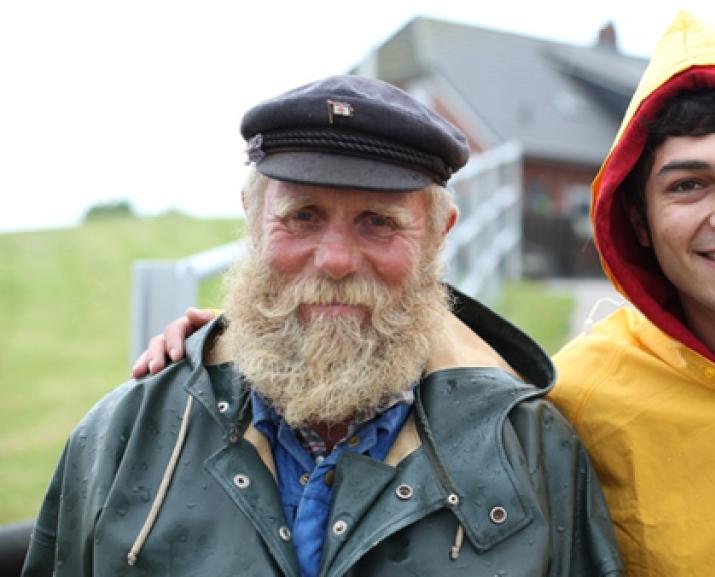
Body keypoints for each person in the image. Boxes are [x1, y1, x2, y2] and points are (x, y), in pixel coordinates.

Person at [131, 13, 715, 576]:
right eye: (688, 185)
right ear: (633, 217)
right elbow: (389, 327)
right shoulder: (580, 398)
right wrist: (236, 338)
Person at [22, 75, 622, 577]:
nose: (335, 260)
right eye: (302, 216)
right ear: (254, 222)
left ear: (440, 236)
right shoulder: (124, 436)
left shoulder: (535, 452)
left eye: (377, 223)